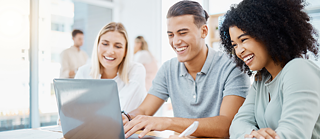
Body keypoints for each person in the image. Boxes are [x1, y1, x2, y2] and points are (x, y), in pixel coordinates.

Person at [122, 1, 250, 138]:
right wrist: (127, 117)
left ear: (204, 31)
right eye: (171, 35)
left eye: (182, 33)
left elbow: (226, 125)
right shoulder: (168, 69)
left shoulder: (232, 66)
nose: (175, 42)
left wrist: (167, 122)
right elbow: (144, 110)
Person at [220, 0, 320, 138]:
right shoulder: (261, 80)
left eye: (243, 40)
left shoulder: (299, 70)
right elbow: (238, 124)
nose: (239, 51)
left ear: (267, 34)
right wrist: (252, 135)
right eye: (234, 45)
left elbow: (293, 135)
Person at [75, 22, 147, 112]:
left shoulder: (136, 70)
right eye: (105, 44)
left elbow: (121, 112)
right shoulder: (83, 71)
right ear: (97, 46)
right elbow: (70, 111)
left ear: (125, 51)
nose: (110, 51)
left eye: (117, 46)